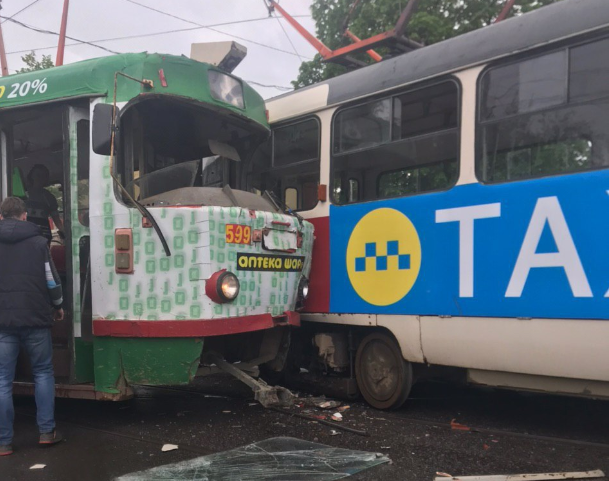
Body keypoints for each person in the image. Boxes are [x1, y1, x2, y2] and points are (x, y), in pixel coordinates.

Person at [0, 197, 64, 456]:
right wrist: (58, 305)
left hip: (3, 321)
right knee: (42, 373)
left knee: (3, 379)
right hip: (36, 318)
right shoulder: (39, 243)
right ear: (25, 216)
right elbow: (51, 280)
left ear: (2, 216)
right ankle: (47, 433)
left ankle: (4, 442)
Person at [26, 164, 65, 244]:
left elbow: (56, 218)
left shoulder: (49, 197)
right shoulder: (24, 195)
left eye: (44, 176)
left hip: (43, 234)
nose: (40, 178)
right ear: (32, 176)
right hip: (26, 234)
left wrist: (63, 232)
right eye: (38, 175)